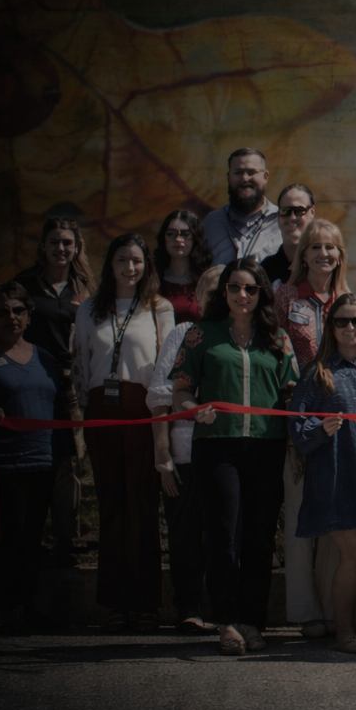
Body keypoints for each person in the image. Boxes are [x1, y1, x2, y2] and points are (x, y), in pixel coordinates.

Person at [171, 258, 299, 656]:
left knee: (260, 539)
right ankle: (226, 621)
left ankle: (253, 622)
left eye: (250, 288)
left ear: (261, 293)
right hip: (218, 446)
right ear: (222, 292)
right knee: (224, 536)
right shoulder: (200, 334)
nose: (242, 295)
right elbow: (181, 391)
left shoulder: (277, 338)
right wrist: (196, 408)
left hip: (266, 446)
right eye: (234, 288)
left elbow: (291, 392)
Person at [73, 233, 177, 632]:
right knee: (112, 506)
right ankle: (117, 603)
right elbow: (81, 365)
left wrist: (160, 423)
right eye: (121, 260)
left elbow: (165, 368)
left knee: (143, 507)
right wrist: (87, 416)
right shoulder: (89, 310)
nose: (129, 268)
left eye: (136, 260)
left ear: (146, 264)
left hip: (143, 408)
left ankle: (147, 604)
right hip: (102, 411)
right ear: (109, 264)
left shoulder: (158, 308)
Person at [0, 282, 70, 632]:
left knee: (33, 536)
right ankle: (10, 609)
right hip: (3, 464)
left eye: (18, 310)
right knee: (9, 536)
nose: (11, 317)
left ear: (29, 313)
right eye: (2, 311)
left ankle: (27, 606)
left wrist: (65, 455)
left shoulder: (45, 358)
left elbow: (59, 409)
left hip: (43, 461)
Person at [288, 296, 356, 655]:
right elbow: (296, 430)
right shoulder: (316, 373)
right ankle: (343, 631)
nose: (351, 328)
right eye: (342, 321)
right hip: (336, 479)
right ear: (330, 327)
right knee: (354, 554)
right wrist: (322, 429)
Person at [273, 218, 350, 638]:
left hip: (340, 421)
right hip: (298, 419)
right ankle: (306, 612)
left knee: (335, 520)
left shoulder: (348, 299)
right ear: (303, 254)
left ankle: (333, 603)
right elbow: (276, 353)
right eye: (315, 247)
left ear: (340, 255)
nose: (324, 254)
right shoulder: (284, 296)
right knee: (302, 514)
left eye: (331, 248)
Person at [146, 265, 225, 636]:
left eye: (224, 290)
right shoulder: (182, 333)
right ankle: (188, 607)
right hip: (184, 453)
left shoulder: (241, 335)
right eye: (210, 291)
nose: (218, 297)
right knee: (185, 534)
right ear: (197, 298)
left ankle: (225, 609)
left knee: (223, 534)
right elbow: (161, 397)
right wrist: (162, 456)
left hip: (229, 454)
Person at [12, 217, 94, 563]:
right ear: (43, 246)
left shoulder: (85, 288)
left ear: (76, 249)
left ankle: (66, 535)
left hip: (71, 385)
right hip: (33, 383)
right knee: (34, 458)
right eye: (55, 242)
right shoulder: (24, 285)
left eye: (68, 243)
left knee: (70, 459)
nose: (61, 248)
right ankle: (30, 533)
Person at [204, 148, 282, 266]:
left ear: (265, 176)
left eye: (251, 172)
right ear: (228, 177)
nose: (245, 178)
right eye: (238, 172)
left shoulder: (281, 221)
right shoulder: (212, 222)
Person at [153, 210, 213, 324]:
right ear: (163, 238)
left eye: (185, 234)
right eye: (171, 234)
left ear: (196, 238)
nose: (178, 240)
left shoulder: (208, 279)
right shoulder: (152, 277)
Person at [260, 183, 317, 287]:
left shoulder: (323, 265)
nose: (292, 217)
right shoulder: (265, 271)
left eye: (299, 211)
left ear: (312, 213)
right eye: (285, 211)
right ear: (278, 216)